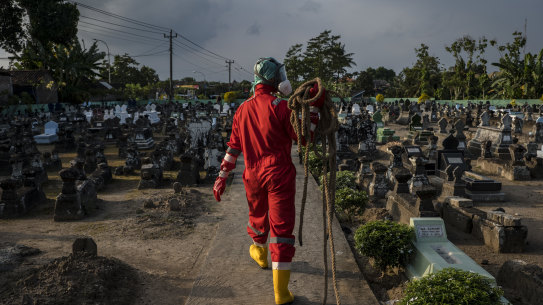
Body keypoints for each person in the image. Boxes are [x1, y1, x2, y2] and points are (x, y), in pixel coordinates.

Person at [213, 57, 325, 304]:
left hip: (251, 176)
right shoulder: (282, 108)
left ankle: (260, 254)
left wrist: (221, 177)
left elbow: (233, 149)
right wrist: (314, 109)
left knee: (257, 217)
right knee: (282, 230)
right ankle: (281, 293)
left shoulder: (241, 110)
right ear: (274, 80)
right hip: (279, 175)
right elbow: (306, 139)